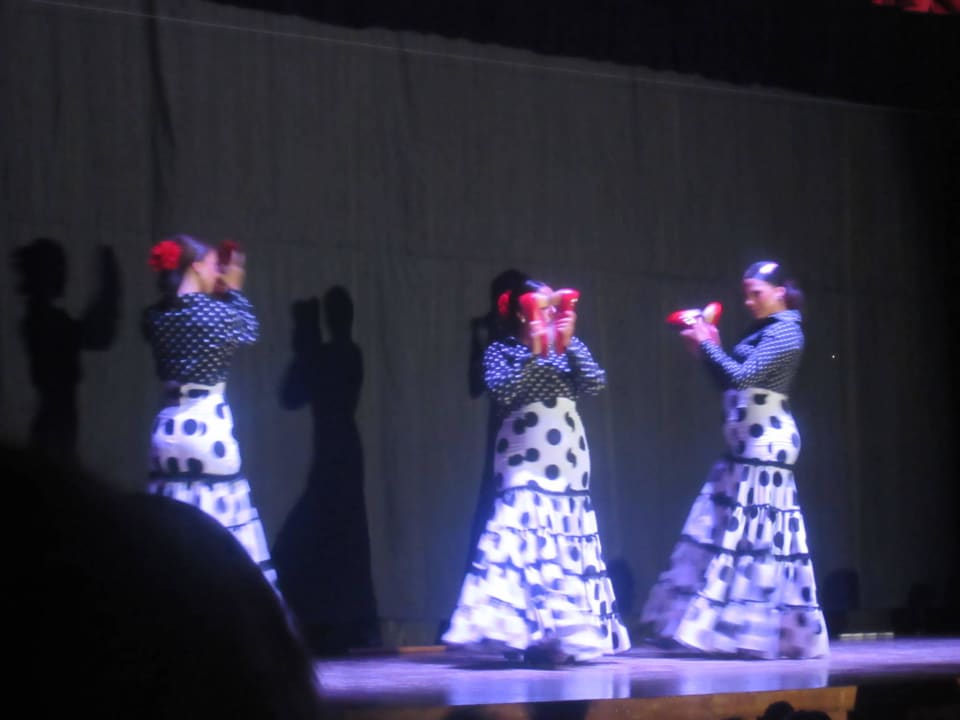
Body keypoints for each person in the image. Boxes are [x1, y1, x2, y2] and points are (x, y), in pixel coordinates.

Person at [640, 261, 829, 658]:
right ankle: (719, 627)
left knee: (752, 534)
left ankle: (749, 631)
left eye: (756, 292)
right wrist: (705, 349)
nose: (748, 300)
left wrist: (708, 342)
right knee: (722, 527)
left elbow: (744, 378)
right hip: (744, 443)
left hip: (766, 443)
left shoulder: (787, 333)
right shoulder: (764, 329)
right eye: (745, 292)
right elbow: (729, 380)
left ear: (780, 291)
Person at [443, 276, 630, 664]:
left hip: (567, 457)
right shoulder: (501, 350)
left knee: (564, 537)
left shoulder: (567, 347)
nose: (549, 314)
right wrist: (534, 350)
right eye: (541, 307)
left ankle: (562, 636)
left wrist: (570, 342)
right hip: (524, 455)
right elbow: (504, 391)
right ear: (519, 312)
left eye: (552, 307)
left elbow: (595, 383)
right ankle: (521, 633)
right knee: (523, 535)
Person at [141, 234, 278, 591]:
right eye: (214, 263)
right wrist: (233, 289)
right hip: (207, 428)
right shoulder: (218, 312)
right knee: (225, 525)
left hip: (168, 430)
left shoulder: (155, 316)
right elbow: (249, 330)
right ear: (196, 266)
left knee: (172, 519)